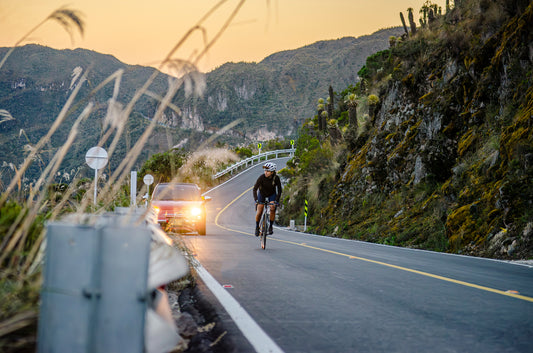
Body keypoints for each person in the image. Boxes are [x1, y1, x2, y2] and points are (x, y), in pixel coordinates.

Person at [253, 162, 282, 236]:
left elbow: (279, 190)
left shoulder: (276, 178)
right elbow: (255, 189)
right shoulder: (261, 177)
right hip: (262, 194)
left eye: (268, 171)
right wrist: (256, 200)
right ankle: (257, 227)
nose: (266, 172)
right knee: (260, 210)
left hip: (271, 194)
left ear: (272, 172)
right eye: (265, 171)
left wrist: (276, 201)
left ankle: (271, 226)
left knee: (272, 208)